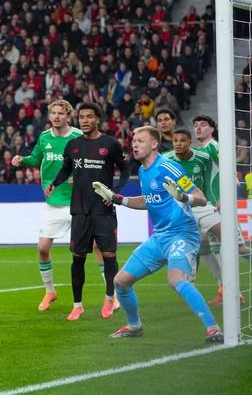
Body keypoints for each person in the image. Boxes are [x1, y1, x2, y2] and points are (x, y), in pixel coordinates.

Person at [92, 126, 224, 343]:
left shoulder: (168, 167)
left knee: (176, 279)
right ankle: (134, 326)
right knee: (120, 281)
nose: (134, 144)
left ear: (154, 144)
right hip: (160, 237)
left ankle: (213, 328)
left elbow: (200, 197)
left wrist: (183, 197)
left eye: (140, 141)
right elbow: (148, 201)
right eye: (134, 141)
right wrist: (116, 198)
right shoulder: (143, 171)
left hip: (182, 234)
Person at [12, 99, 112, 311]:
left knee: (97, 247)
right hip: (54, 202)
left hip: (79, 200)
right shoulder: (44, 137)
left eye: (60, 113)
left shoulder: (79, 136)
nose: (56, 117)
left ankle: (112, 294)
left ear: (68, 116)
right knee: (42, 248)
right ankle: (50, 291)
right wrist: (22, 160)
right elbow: (35, 159)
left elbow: (95, 162)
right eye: (53, 113)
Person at [48, 102, 129, 321]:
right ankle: (77, 305)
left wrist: (114, 193)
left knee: (109, 256)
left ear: (98, 119)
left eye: (89, 117)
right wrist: (55, 183)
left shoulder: (111, 144)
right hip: (80, 210)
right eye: (81, 117)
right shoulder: (73, 145)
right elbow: (66, 169)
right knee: (78, 259)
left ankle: (110, 297)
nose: (84, 120)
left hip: (103, 210)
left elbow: (125, 171)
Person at [192, 115, 250, 303]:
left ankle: (230, 291)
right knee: (208, 249)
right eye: (195, 125)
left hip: (221, 205)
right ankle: (226, 290)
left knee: (239, 247)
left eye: (203, 125)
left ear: (211, 129)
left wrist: (224, 197)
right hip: (208, 207)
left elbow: (229, 170)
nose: (198, 128)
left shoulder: (214, 147)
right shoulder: (200, 152)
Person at [163, 129, 224, 303]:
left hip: (202, 205)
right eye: (175, 141)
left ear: (190, 142)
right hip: (181, 210)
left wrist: (216, 198)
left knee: (226, 239)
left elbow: (212, 179)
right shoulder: (166, 159)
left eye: (182, 140)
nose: (178, 144)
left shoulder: (203, 157)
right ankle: (193, 284)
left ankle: (229, 284)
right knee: (194, 249)